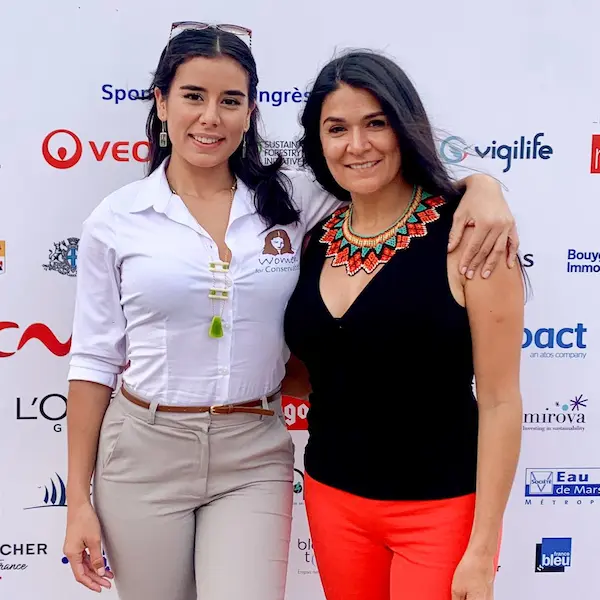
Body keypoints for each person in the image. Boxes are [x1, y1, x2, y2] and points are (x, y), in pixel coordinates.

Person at [62, 23, 519, 600]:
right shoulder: (116, 219)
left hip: (252, 450)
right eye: (193, 96)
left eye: (231, 100)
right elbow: (94, 359)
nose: (211, 118)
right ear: (161, 102)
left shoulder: (294, 199)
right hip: (144, 448)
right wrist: (77, 500)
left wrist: (483, 186)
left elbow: (389, 184)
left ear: (251, 112)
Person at [283, 50, 524, 600]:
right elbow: (311, 371)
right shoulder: (314, 241)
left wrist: (483, 548)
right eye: (337, 128)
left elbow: (500, 401)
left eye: (376, 123)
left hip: (440, 509)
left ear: (405, 126)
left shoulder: (472, 236)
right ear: (319, 142)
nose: (357, 145)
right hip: (333, 499)